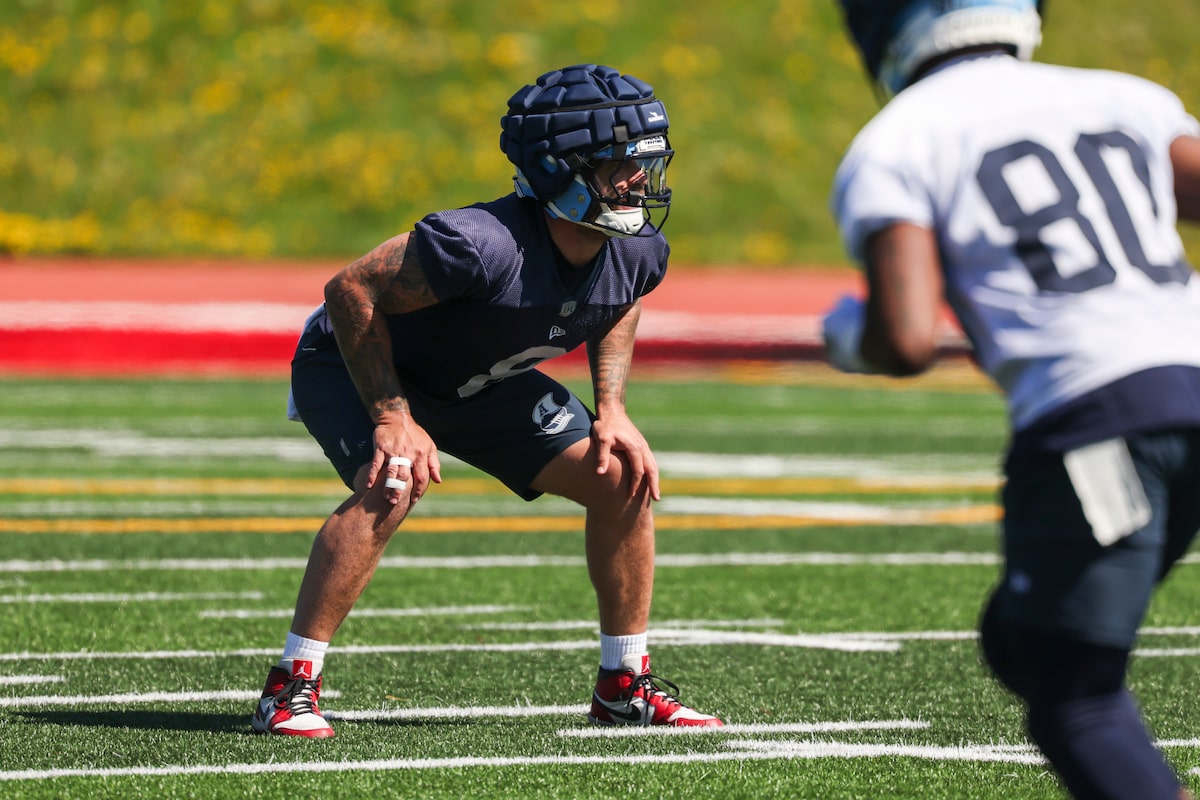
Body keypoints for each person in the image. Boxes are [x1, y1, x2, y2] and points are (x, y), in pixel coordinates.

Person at [250, 63, 722, 738]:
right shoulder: (477, 246)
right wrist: (392, 415)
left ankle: (623, 688)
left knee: (620, 477)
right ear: (558, 168)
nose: (637, 181)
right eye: (618, 165)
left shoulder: (640, 248)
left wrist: (611, 407)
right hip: (361, 367)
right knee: (392, 482)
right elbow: (350, 292)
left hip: (477, 381)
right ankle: (290, 686)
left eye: (643, 163)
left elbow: (620, 298)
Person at [825, 1, 1200, 797]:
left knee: (1073, 692)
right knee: (1019, 640)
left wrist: (845, 335)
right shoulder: (1122, 96)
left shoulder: (901, 139)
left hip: (1097, 420)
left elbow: (908, 337)